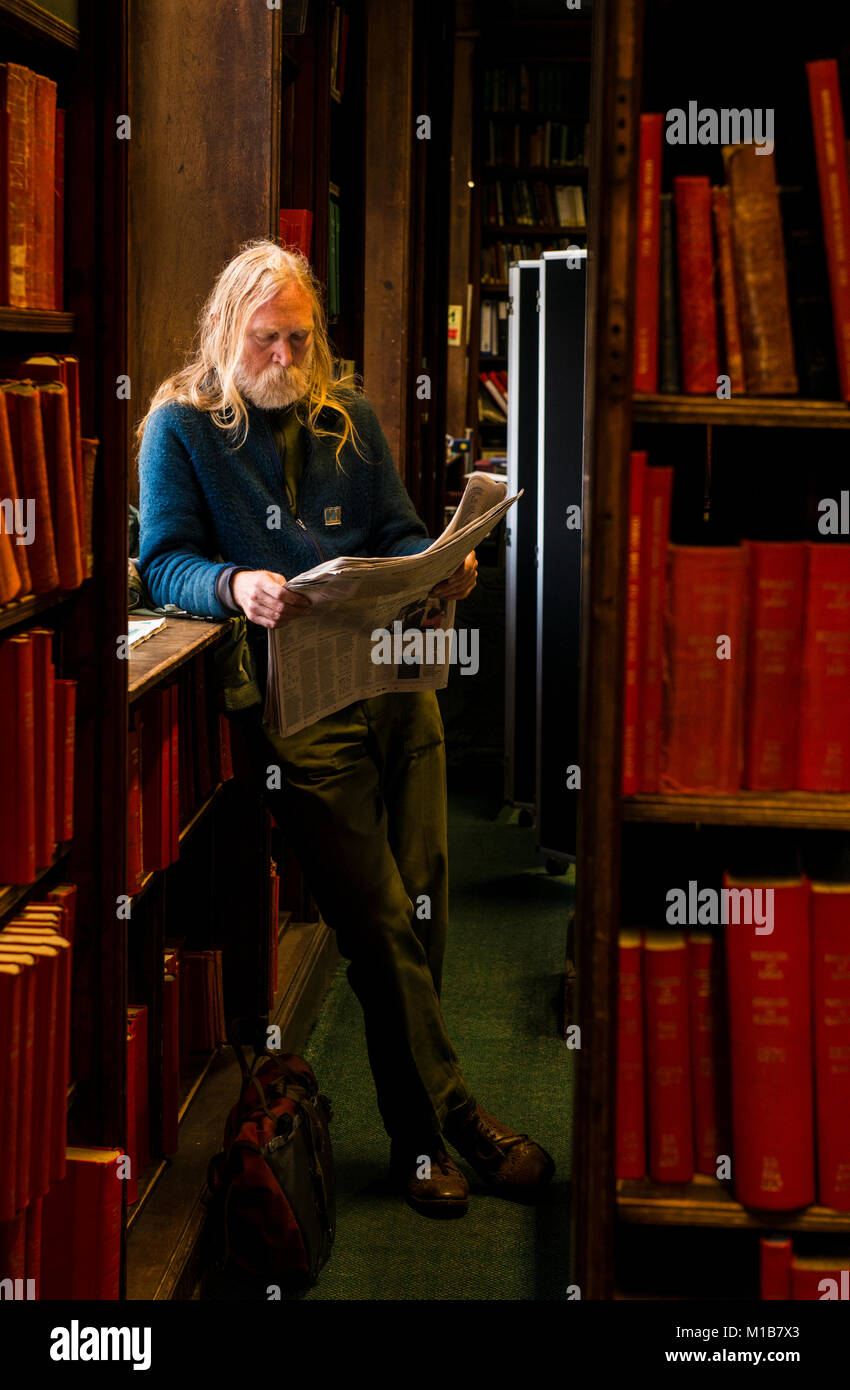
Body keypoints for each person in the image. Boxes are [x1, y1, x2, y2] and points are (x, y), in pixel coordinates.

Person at [137, 238, 554, 1217]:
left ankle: (416, 1140)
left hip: (396, 676)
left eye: (299, 338)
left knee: (424, 904)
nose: (285, 359)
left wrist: (437, 566)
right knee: (373, 916)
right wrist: (235, 582)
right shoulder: (181, 426)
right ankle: (452, 1119)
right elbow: (163, 564)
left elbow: (397, 533)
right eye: (266, 339)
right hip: (305, 698)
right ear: (225, 330)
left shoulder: (349, 413)